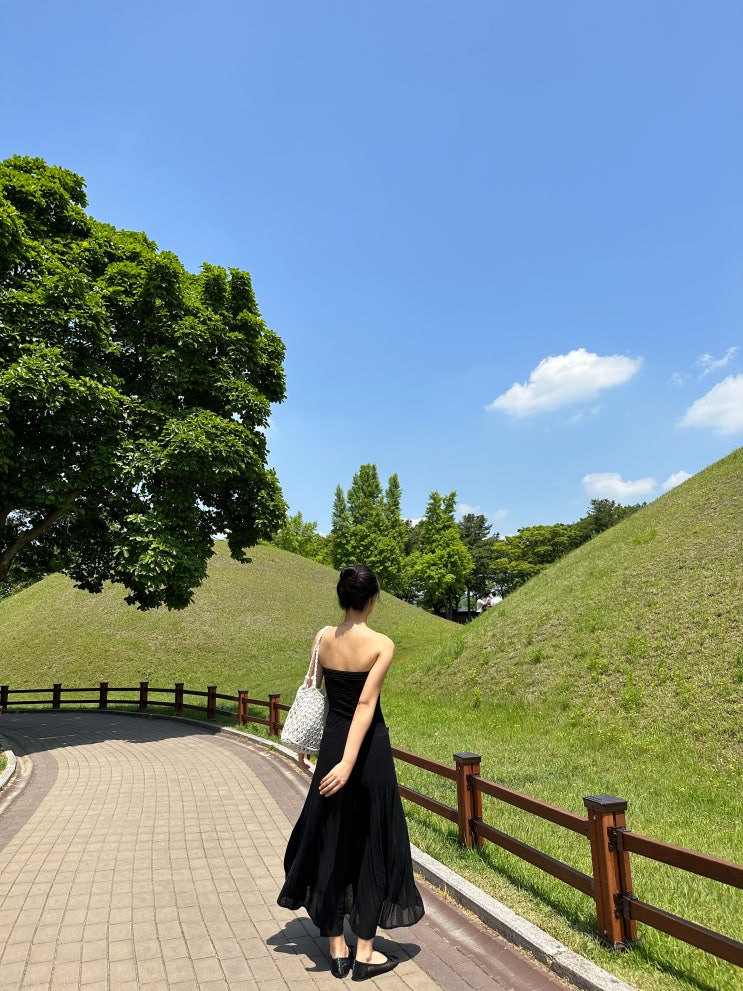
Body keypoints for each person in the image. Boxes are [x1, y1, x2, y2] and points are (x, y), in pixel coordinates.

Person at [277, 564, 425, 981]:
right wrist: (349, 762)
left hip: (332, 744)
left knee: (331, 838)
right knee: (372, 839)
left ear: (342, 597)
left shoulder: (323, 638)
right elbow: (365, 704)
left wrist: (325, 754)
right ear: (372, 600)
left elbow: (317, 693)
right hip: (369, 751)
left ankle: (336, 950)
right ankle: (365, 952)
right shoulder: (382, 645)